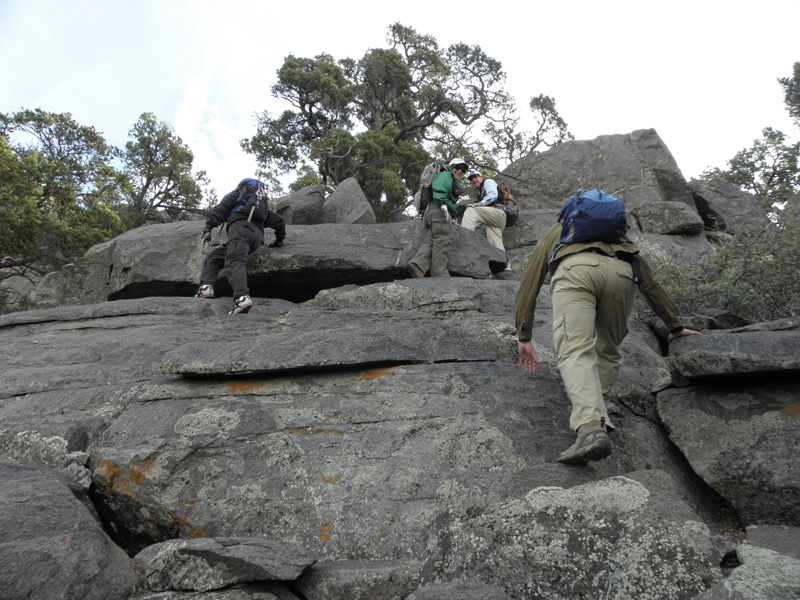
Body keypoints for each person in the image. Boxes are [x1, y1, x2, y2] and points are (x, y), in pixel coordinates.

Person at [515, 213, 700, 465]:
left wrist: (524, 334)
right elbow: (649, 280)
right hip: (623, 276)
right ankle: (599, 419)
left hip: (575, 271)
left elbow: (531, 278)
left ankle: (590, 428)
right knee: (607, 351)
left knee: (575, 350)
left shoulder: (558, 230)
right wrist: (674, 325)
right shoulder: (617, 236)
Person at [195, 178, 286, 314]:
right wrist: (279, 241)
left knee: (234, 262)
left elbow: (221, 208)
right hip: (256, 239)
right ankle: (206, 286)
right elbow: (280, 222)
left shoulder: (238, 193)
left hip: (240, 230)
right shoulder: (261, 206)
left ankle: (242, 297)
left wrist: (208, 228)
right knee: (214, 257)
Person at [407, 158, 468, 278]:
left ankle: (418, 265)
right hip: (439, 208)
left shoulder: (444, 174)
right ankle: (440, 273)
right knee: (443, 239)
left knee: (432, 238)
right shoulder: (445, 174)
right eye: (457, 167)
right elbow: (439, 189)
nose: (460, 171)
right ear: (451, 167)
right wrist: (444, 205)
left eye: (463, 169)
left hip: (431, 211)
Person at [462, 170, 508, 255]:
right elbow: (478, 218)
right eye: (471, 179)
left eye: (476, 177)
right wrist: (475, 225)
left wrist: (480, 203)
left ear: (481, 177)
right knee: (495, 243)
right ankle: (504, 267)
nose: (474, 180)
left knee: (470, 210)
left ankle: (464, 242)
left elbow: (493, 195)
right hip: (494, 219)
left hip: (498, 212)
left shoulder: (488, 182)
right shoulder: (480, 194)